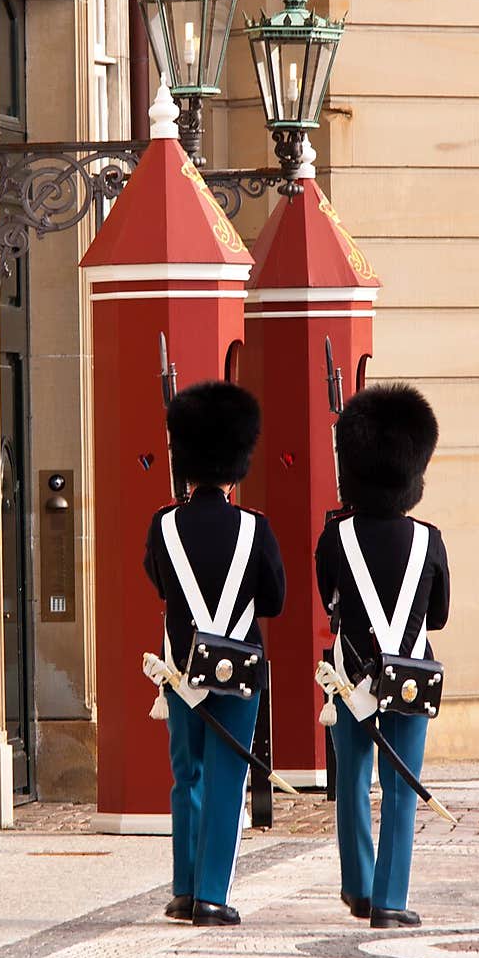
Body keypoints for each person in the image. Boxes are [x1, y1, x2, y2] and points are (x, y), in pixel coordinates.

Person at [143, 380, 286, 927]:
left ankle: (184, 887)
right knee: (228, 776)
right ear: (235, 463)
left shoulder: (164, 525)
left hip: (180, 670)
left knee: (189, 775)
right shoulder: (254, 528)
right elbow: (274, 599)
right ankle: (211, 894)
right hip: (238, 667)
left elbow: (158, 580)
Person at [314, 381, 450, 929]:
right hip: (412, 676)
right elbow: (438, 614)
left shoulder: (334, 536)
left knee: (351, 779)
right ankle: (390, 900)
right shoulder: (429, 539)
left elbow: (329, 601)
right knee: (400, 790)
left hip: (351, 676)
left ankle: (358, 885)